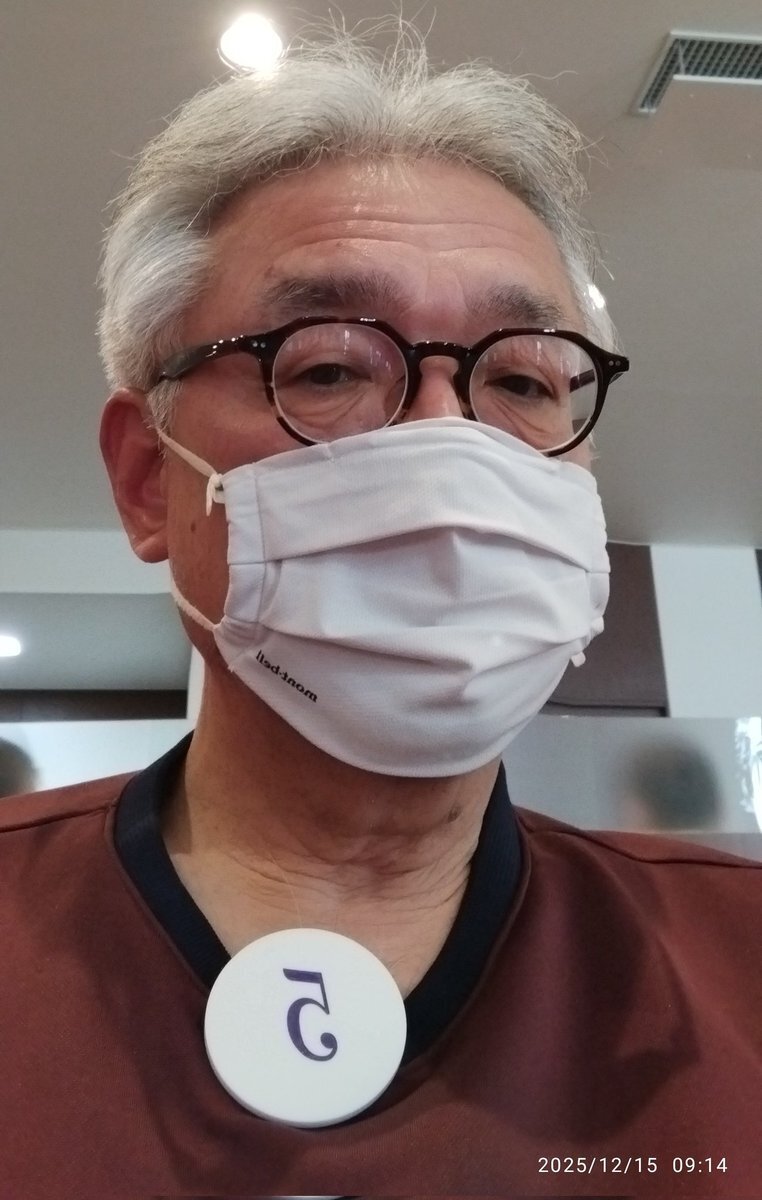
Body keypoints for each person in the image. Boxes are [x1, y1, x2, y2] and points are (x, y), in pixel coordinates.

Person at [1, 26, 759, 1199]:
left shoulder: (736, 963)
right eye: (330, 367)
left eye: (522, 379)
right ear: (150, 480)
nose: (448, 447)